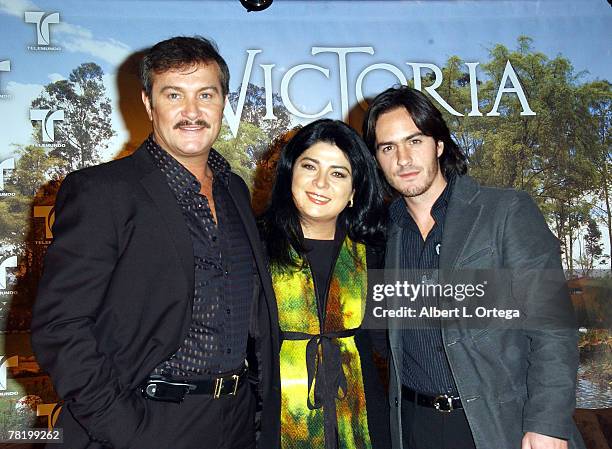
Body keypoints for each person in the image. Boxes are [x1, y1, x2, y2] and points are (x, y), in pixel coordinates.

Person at [31, 36, 279, 449]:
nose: (192, 112)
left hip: (237, 424)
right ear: (149, 104)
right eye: (173, 95)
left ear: (223, 103)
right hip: (148, 424)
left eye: (206, 94)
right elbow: (60, 326)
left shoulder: (235, 190)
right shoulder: (102, 192)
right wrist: (124, 430)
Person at [362, 85, 585, 449]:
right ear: (377, 158)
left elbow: (553, 328)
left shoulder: (505, 212)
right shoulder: (383, 236)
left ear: (438, 145)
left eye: (414, 141)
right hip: (416, 428)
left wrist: (548, 424)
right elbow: (387, 341)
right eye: (388, 147)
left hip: (501, 427)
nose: (403, 158)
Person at [258, 119, 390, 449]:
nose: (321, 183)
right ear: (290, 173)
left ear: (353, 192)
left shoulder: (374, 253)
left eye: (338, 173)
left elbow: (391, 344)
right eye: (310, 166)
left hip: (364, 421)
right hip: (273, 423)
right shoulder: (253, 247)